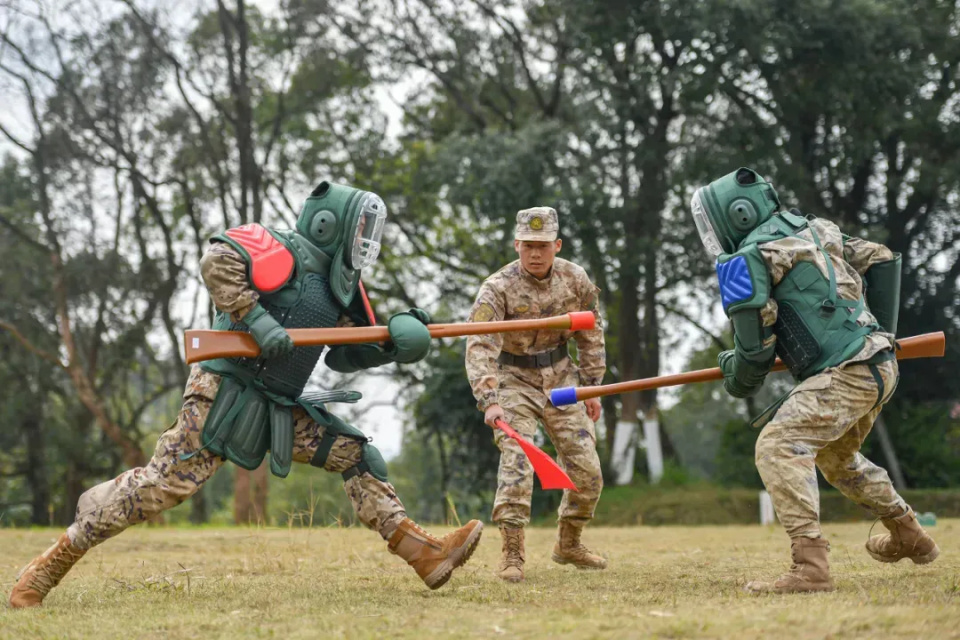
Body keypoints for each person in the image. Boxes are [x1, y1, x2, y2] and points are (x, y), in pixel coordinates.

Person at [9, 181, 482, 608]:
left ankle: (424, 554)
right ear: (329, 222)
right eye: (360, 226)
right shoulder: (281, 249)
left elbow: (342, 354)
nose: (365, 238)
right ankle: (49, 565)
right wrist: (256, 319)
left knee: (355, 455)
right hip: (223, 394)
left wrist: (391, 345)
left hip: (278, 405)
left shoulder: (341, 290)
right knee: (160, 487)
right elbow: (218, 259)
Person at [690, 167, 940, 594]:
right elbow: (881, 258)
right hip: (879, 364)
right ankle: (909, 532)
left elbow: (753, 361)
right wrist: (880, 333)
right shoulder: (817, 229)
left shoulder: (747, 259)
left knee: (777, 445)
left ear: (737, 215)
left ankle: (810, 567)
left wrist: (732, 370)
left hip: (845, 373)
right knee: (836, 460)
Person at [465, 206, 607, 583]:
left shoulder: (575, 279)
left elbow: (591, 332)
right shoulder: (496, 288)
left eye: (543, 245)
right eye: (528, 245)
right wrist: (489, 398)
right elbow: (479, 345)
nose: (535, 253)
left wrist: (592, 387)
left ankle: (569, 542)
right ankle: (512, 553)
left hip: (562, 379)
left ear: (556, 245)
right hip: (513, 380)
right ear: (516, 245)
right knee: (517, 457)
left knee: (588, 472)